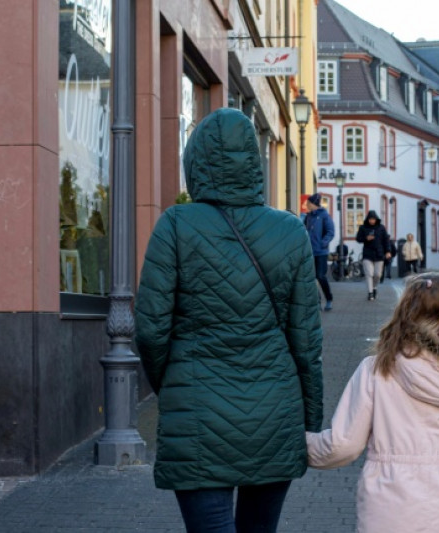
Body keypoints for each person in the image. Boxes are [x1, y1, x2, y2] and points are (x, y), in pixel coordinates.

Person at [134, 108, 324, 533]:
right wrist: (310, 420)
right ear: (254, 164)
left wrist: (172, 384)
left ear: (196, 163)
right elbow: (307, 343)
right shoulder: (290, 231)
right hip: (275, 411)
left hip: (197, 409)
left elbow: (149, 329)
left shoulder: (175, 226)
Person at [306, 273, 439, 532]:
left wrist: (298, 446)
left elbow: (343, 445)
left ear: (405, 307)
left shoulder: (376, 369)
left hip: (387, 507)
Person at [304, 193, 335, 311]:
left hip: (321, 252)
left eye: (308, 203)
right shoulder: (308, 217)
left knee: (320, 276)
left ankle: (329, 299)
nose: (306, 205)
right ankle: (317, 300)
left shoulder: (324, 215)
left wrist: (323, 243)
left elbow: (330, 231)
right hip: (309, 252)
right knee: (311, 277)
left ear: (313, 204)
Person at [355, 210, 391, 301]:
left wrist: (388, 251)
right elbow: (358, 239)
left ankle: (374, 287)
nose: (372, 221)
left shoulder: (381, 228)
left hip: (379, 254)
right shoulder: (363, 227)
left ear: (376, 219)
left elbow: (386, 240)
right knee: (369, 274)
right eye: (370, 219)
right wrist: (366, 238)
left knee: (378, 274)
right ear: (368, 219)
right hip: (367, 254)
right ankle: (370, 293)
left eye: (373, 219)